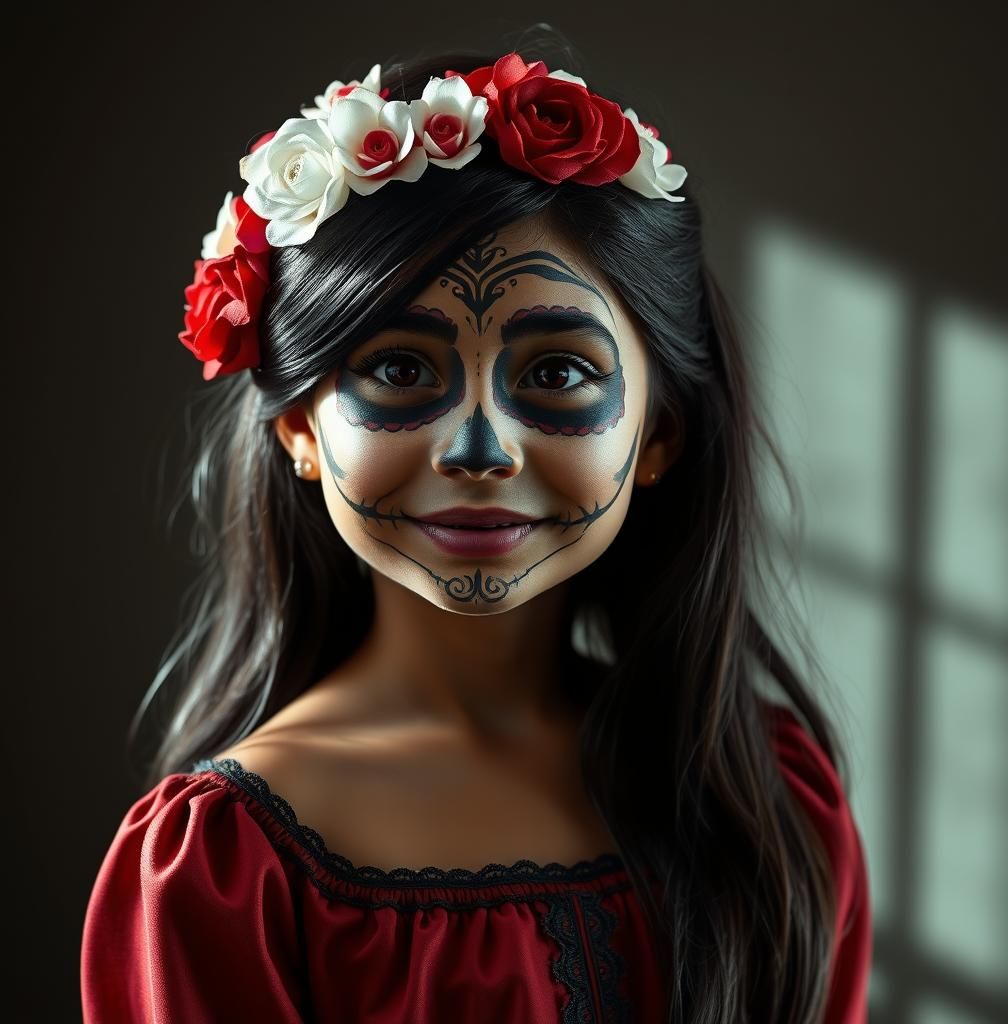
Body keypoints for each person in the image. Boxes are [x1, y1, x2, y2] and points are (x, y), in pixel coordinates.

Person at [80, 38, 872, 1024]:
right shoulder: (224, 871)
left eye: (556, 374)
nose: (479, 447)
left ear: (659, 429)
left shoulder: (770, 802)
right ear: (298, 428)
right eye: (403, 371)